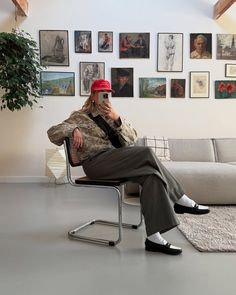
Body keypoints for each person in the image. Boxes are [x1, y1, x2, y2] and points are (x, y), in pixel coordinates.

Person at [47, 79, 210, 255]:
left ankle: (154, 238)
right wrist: (72, 130)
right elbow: (53, 132)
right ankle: (180, 198)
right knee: (146, 151)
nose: (105, 97)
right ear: (93, 96)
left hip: (115, 160)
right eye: (101, 93)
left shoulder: (113, 116)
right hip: (96, 164)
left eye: (107, 94)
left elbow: (132, 139)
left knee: (152, 177)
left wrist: (117, 119)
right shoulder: (79, 116)